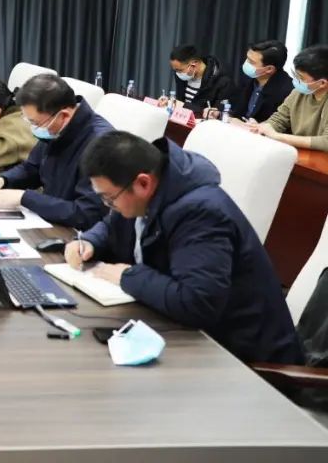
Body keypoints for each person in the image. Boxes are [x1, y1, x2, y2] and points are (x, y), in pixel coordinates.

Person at [67, 130, 303, 365]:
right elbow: (114, 225)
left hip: (243, 360)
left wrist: (128, 276)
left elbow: (198, 303)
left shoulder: (201, 214)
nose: (108, 205)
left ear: (143, 183)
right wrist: (90, 241)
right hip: (187, 336)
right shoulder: (151, 190)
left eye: (109, 198)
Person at [0, 74, 111, 230]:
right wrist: (4, 180)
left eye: (35, 123)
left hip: (78, 234)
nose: (33, 129)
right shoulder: (57, 128)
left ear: (63, 116)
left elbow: (86, 213)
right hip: (51, 220)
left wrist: (24, 198)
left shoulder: (102, 146)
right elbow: (32, 167)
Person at [252, 44, 328, 151]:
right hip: (301, 153)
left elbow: (325, 142)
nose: (296, 80)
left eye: (301, 77)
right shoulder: (298, 92)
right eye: (295, 74)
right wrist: (263, 128)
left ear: (322, 83)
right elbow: (280, 118)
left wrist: (278, 137)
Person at [225, 39, 292, 123]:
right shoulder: (249, 79)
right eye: (247, 58)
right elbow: (235, 110)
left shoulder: (287, 92)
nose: (246, 63)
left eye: (251, 62)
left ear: (269, 69)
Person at [166, 44, 235, 117]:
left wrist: (182, 105)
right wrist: (169, 102)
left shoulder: (222, 81)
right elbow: (180, 101)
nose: (177, 73)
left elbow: (219, 114)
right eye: (175, 70)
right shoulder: (182, 75)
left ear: (194, 64)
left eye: (179, 70)